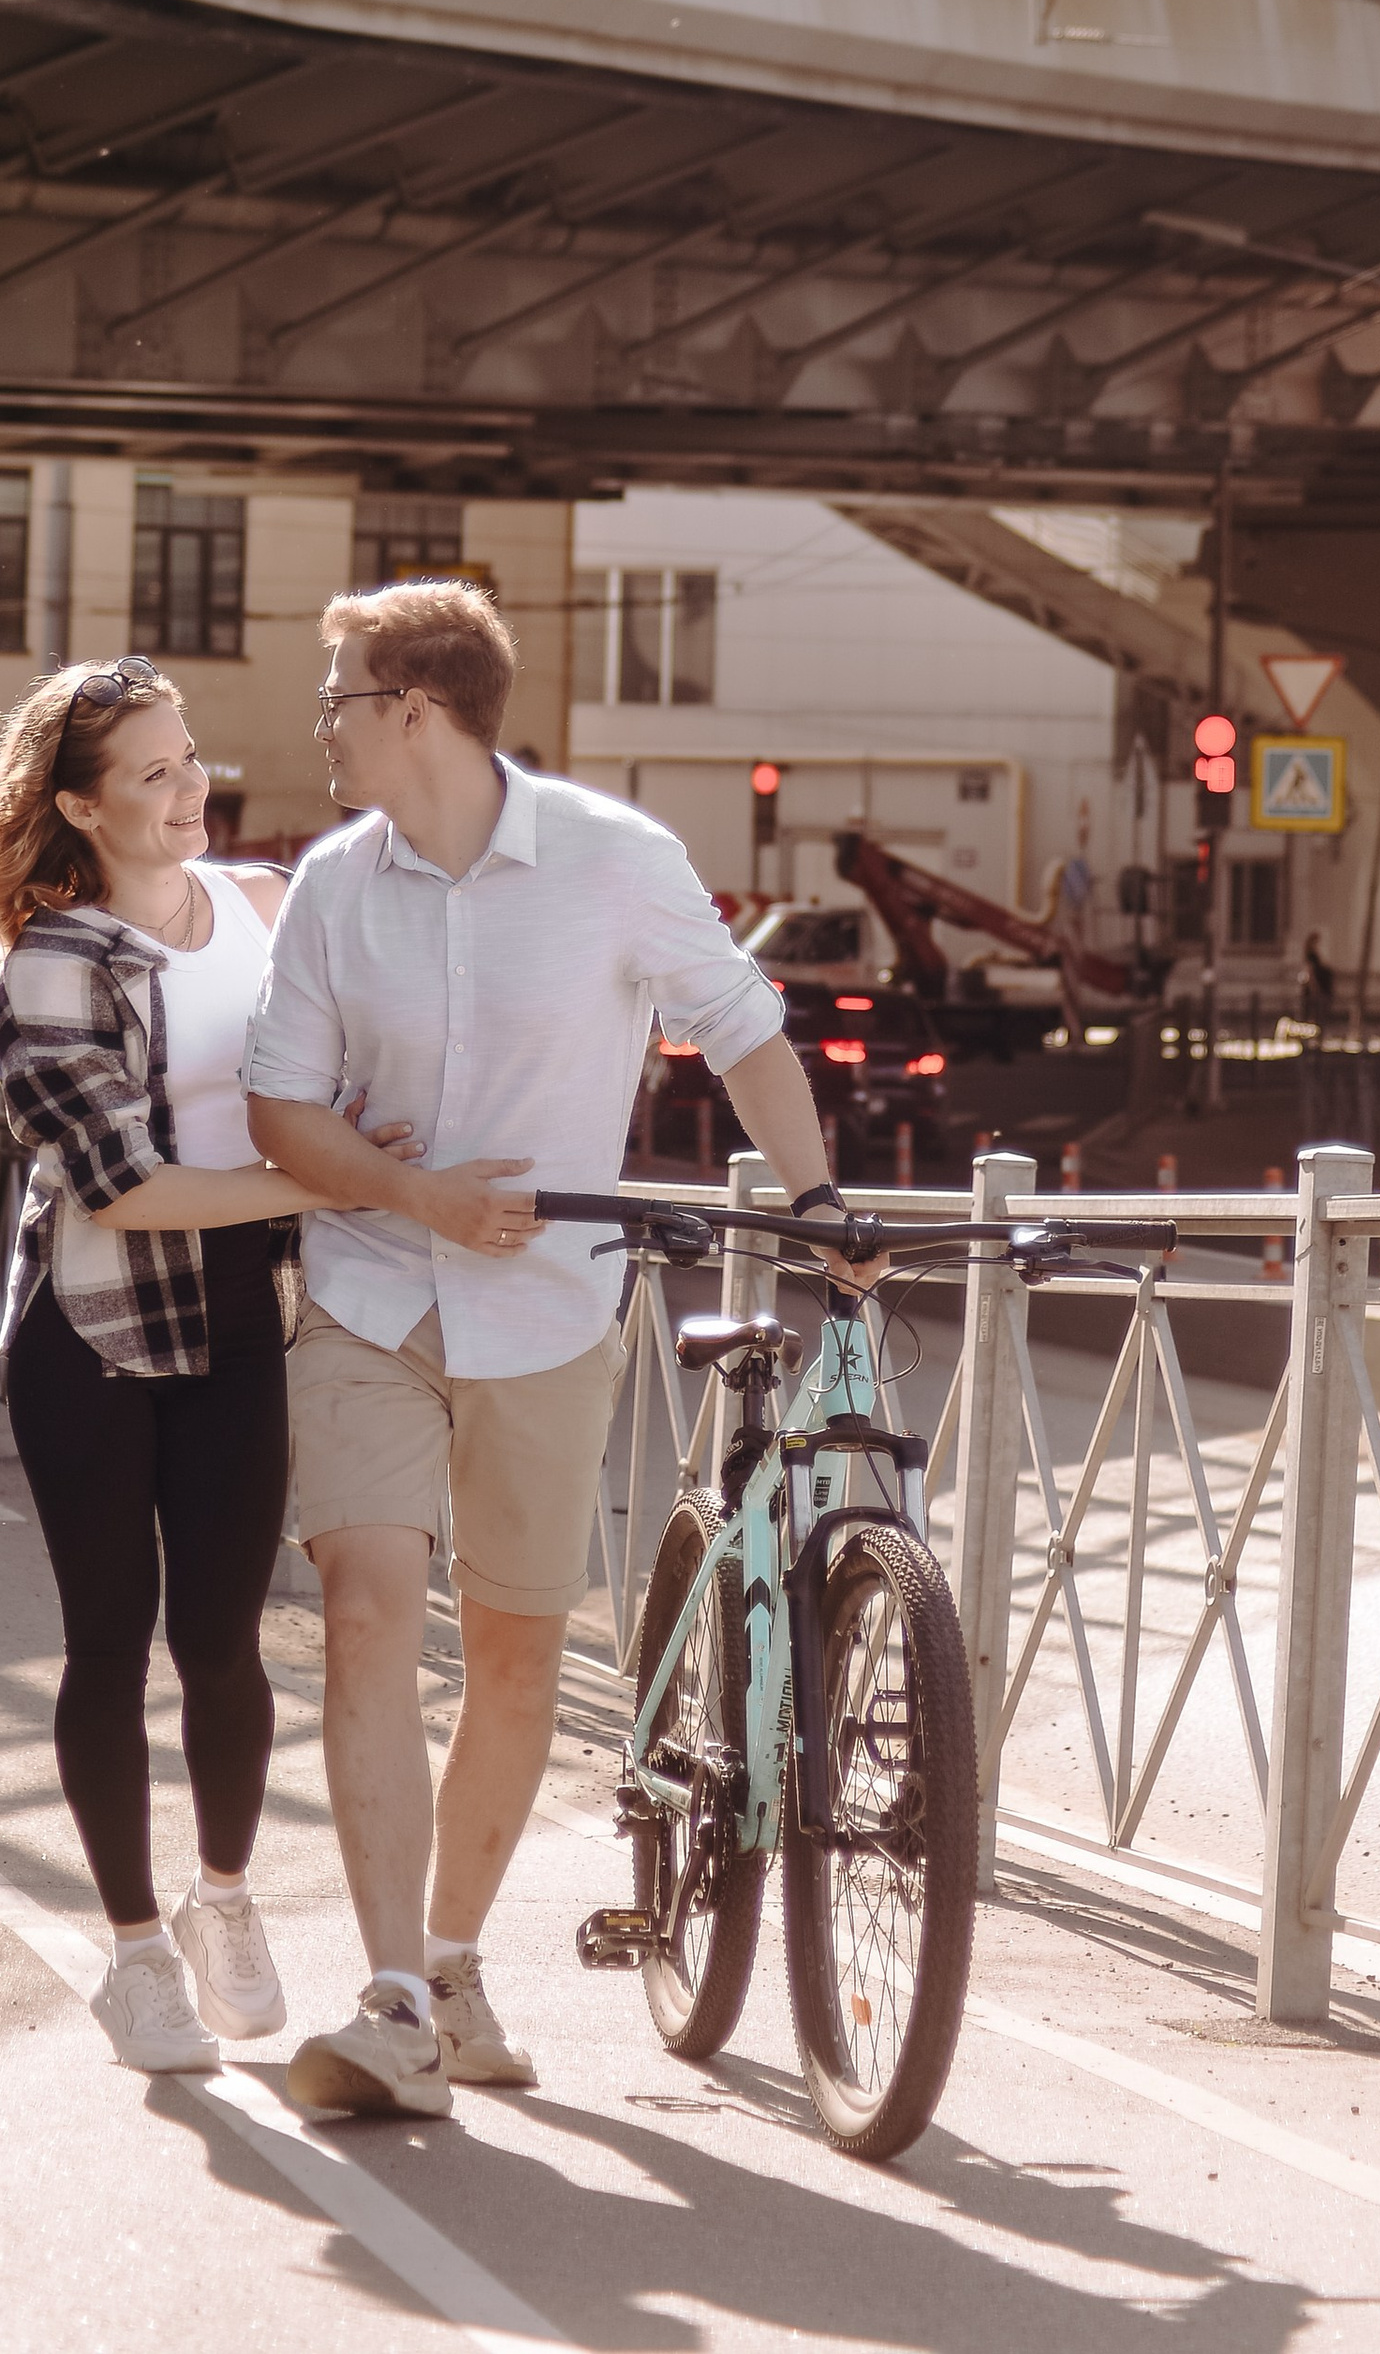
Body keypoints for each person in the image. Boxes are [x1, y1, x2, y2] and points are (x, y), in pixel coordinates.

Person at [243, 576, 872, 2122]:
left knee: (517, 1651)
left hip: (547, 1314)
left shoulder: (615, 859)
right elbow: (280, 1107)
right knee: (368, 1611)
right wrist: (415, 1196)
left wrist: (817, 1203)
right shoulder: (334, 886)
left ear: (414, 709)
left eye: (338, 697)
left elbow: (743, 1028)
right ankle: (394, 1998)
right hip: (371, 1296)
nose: (321, 725)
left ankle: (453, 1964)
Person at [0, 653, 412, 2077]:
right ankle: (137, 1954)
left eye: (191, 757)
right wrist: (335, 1184)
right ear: (81, 807)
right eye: (153, 773)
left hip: (239, 1310)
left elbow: (354, 1062)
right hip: (94, 1321)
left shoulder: (263, 907)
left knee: (225, 1641)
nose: (191, 786)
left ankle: (225, 1900)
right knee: (109, 1640)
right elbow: (126, 1189)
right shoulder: (52, 962)